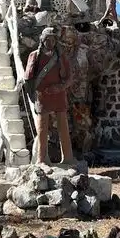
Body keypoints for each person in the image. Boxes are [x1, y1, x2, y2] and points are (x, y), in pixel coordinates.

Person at [24, 27, 74, 164]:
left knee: (63, 126)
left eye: (53, 40)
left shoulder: (61, 57)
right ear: (42, 40)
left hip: (58, 95)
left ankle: (68, 158)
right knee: (42, 128)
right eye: (48, 40)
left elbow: (69, 77)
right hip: (42, 96)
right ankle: (41, 160)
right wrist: (33, 96)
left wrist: (60, 87)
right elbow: (28, 78)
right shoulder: (35, 56)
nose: (50, 42)